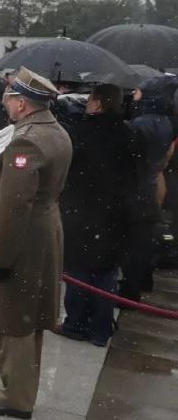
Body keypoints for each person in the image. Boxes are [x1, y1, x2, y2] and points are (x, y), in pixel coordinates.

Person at [0, 67, 72, 420]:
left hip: (23, 241)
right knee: (26, 318)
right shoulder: (55, 131)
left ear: (23, 104)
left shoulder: (25, 141)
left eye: (10, 99)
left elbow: (15, 208)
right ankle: (15, 386)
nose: (6, 104)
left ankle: (16, 398)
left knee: (14, 318)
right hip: (43, 233)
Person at [57, 84, 136, 346]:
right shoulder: (129, 132)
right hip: (117, 215)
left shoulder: (83, 132)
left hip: (84, 213)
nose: (87, 104)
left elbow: (68, 168)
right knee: (105, 273)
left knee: (78, 270)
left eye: (90, 100)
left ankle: (76, 323)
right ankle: (100, 328)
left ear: (98, 104)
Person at [121, 75, 178, 302]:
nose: (134, 96)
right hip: (152, 185)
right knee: (143, 240)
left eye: (138, 92)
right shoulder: (165, 121)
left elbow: (128, 158)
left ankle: (130, 290)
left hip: (138, 189)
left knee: (133, 244)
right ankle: (143, 278)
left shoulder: (142, 124)